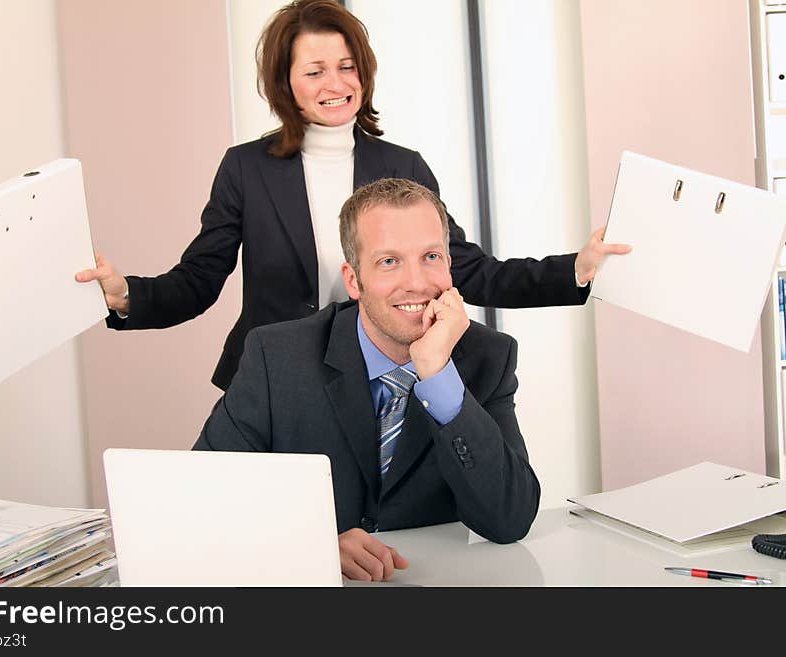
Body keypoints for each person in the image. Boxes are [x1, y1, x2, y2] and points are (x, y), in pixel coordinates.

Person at [76, 0, 629, 391]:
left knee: (379, 547)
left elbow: (467, 270)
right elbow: (198, 282)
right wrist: (125, 295)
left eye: (345, 67)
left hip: (384, 371)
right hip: (274, 378)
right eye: (314, 71)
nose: (334, 84)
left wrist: (574, 269)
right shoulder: (246, 168)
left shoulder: (401, 167)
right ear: (285, 83)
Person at [195, 178, 540, 582]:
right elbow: (205, 498)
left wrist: (439, 375)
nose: (417, 282)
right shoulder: (276, 356)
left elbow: (510, 519)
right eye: (389, 261)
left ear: (449, 265)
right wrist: (310, 542)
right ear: (354, 280)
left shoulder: (488, 357)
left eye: (430, 256)